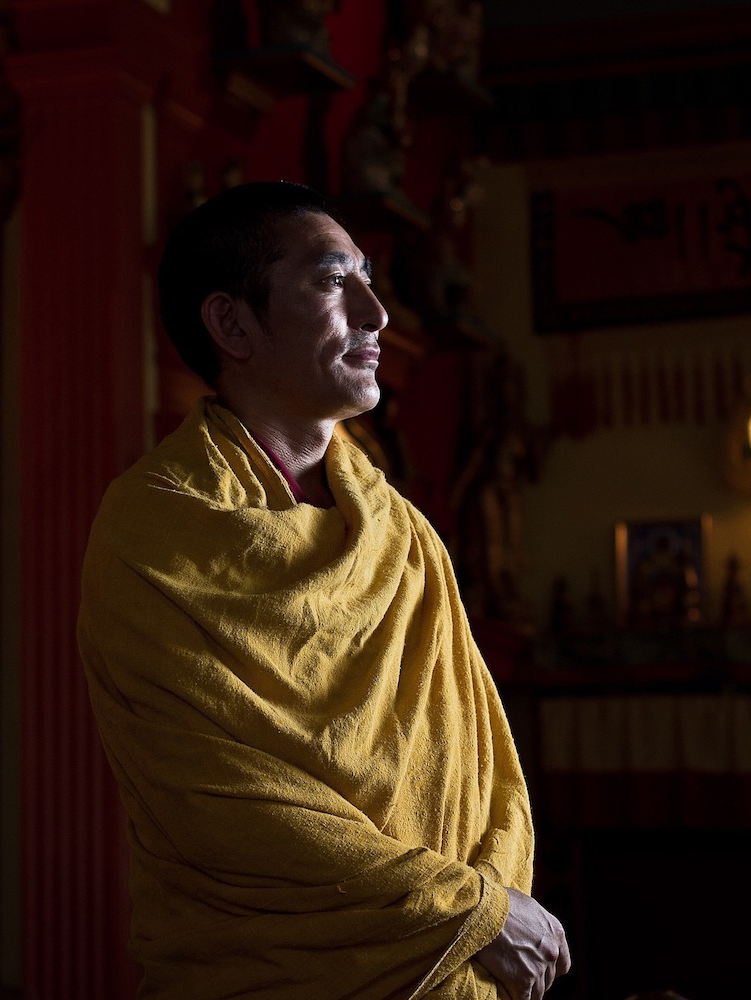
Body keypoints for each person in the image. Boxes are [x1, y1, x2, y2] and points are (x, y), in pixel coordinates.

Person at [78, 181, 570, 1000]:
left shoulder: (398, 527)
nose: (378, 314)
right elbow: (225, 805)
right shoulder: (152, 529)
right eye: (334, 282)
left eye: (371, 280)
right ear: (232, 323)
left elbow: (485, 760)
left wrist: (491, 906)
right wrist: (473, 911)